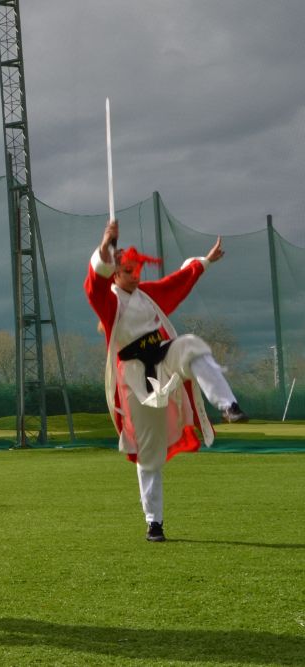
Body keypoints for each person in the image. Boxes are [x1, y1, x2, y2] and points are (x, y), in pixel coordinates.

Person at [85, 219, 247, 542]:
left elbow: (177, 282)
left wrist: (203, 262)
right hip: (133, 376)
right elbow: (94, 286)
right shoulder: (110, 301)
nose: (135, 275)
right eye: (128, 270)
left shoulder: (148, 296)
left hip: (162, 357)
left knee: (189, 345)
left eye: (136, 270)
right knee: (149, 453)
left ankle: (228, 404)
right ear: (116, 273)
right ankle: (153, 521)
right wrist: (106, 246)